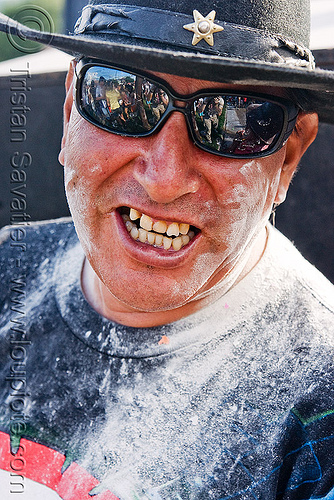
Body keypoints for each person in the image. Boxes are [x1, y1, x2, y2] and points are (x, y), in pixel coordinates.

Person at [0, 0, 334, 498]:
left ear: (289, 154)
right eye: (125, 99)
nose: (165, 181)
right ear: (72, 104)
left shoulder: (319, 409)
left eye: (234, 122)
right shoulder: (8, 269)